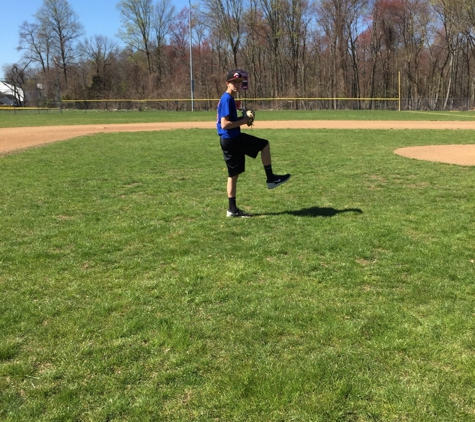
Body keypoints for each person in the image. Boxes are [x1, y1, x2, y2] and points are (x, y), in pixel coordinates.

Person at [217, 70, 291, 218]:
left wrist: (241, 117)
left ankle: (232, 210)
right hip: (233, 139)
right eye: (234, 82)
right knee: (264, 145)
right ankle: (271, 178)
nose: (237, 85)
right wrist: (244, 120)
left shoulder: (228, 98)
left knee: (233, 175)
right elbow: (225, 124)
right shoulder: (227, 99)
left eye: (239, 82)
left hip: (227, 140)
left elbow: (228, 121)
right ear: (227, 83)